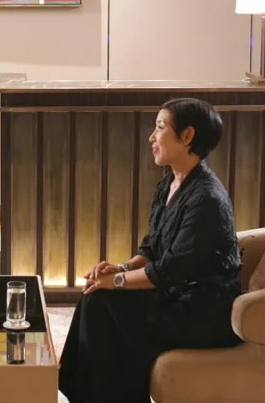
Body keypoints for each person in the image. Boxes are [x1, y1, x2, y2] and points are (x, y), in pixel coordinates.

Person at [58, 98, 244, 403]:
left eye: (159, 127)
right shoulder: (169, 183)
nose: (151, 137)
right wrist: (119, 269)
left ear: (187, 136)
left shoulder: (207, 199)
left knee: (104, 302)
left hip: (203, 309)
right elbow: (151, 248)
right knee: (94, 295)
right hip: (176, 292)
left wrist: (116, 282)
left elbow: (168, 270)